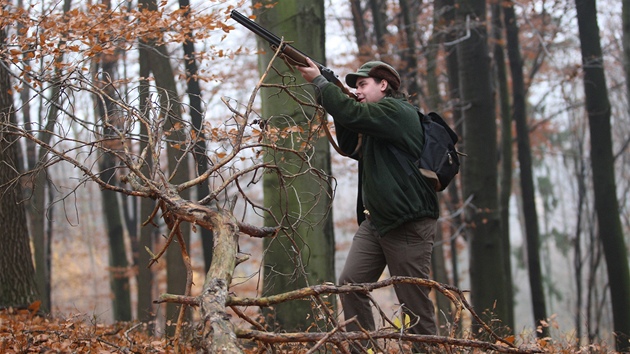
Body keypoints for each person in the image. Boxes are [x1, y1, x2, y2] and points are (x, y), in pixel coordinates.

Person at [296, 58, 439, 348]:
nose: (358, 91)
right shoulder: (375, 120)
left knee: (414, 305)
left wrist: (322, 83)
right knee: (350, 285)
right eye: (355, 87)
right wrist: (334, 93)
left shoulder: (396, 111)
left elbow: (354, 113)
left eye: (363, 85)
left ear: (384, 85)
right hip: (376, 223)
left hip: (408, 223)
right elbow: (350, 144)